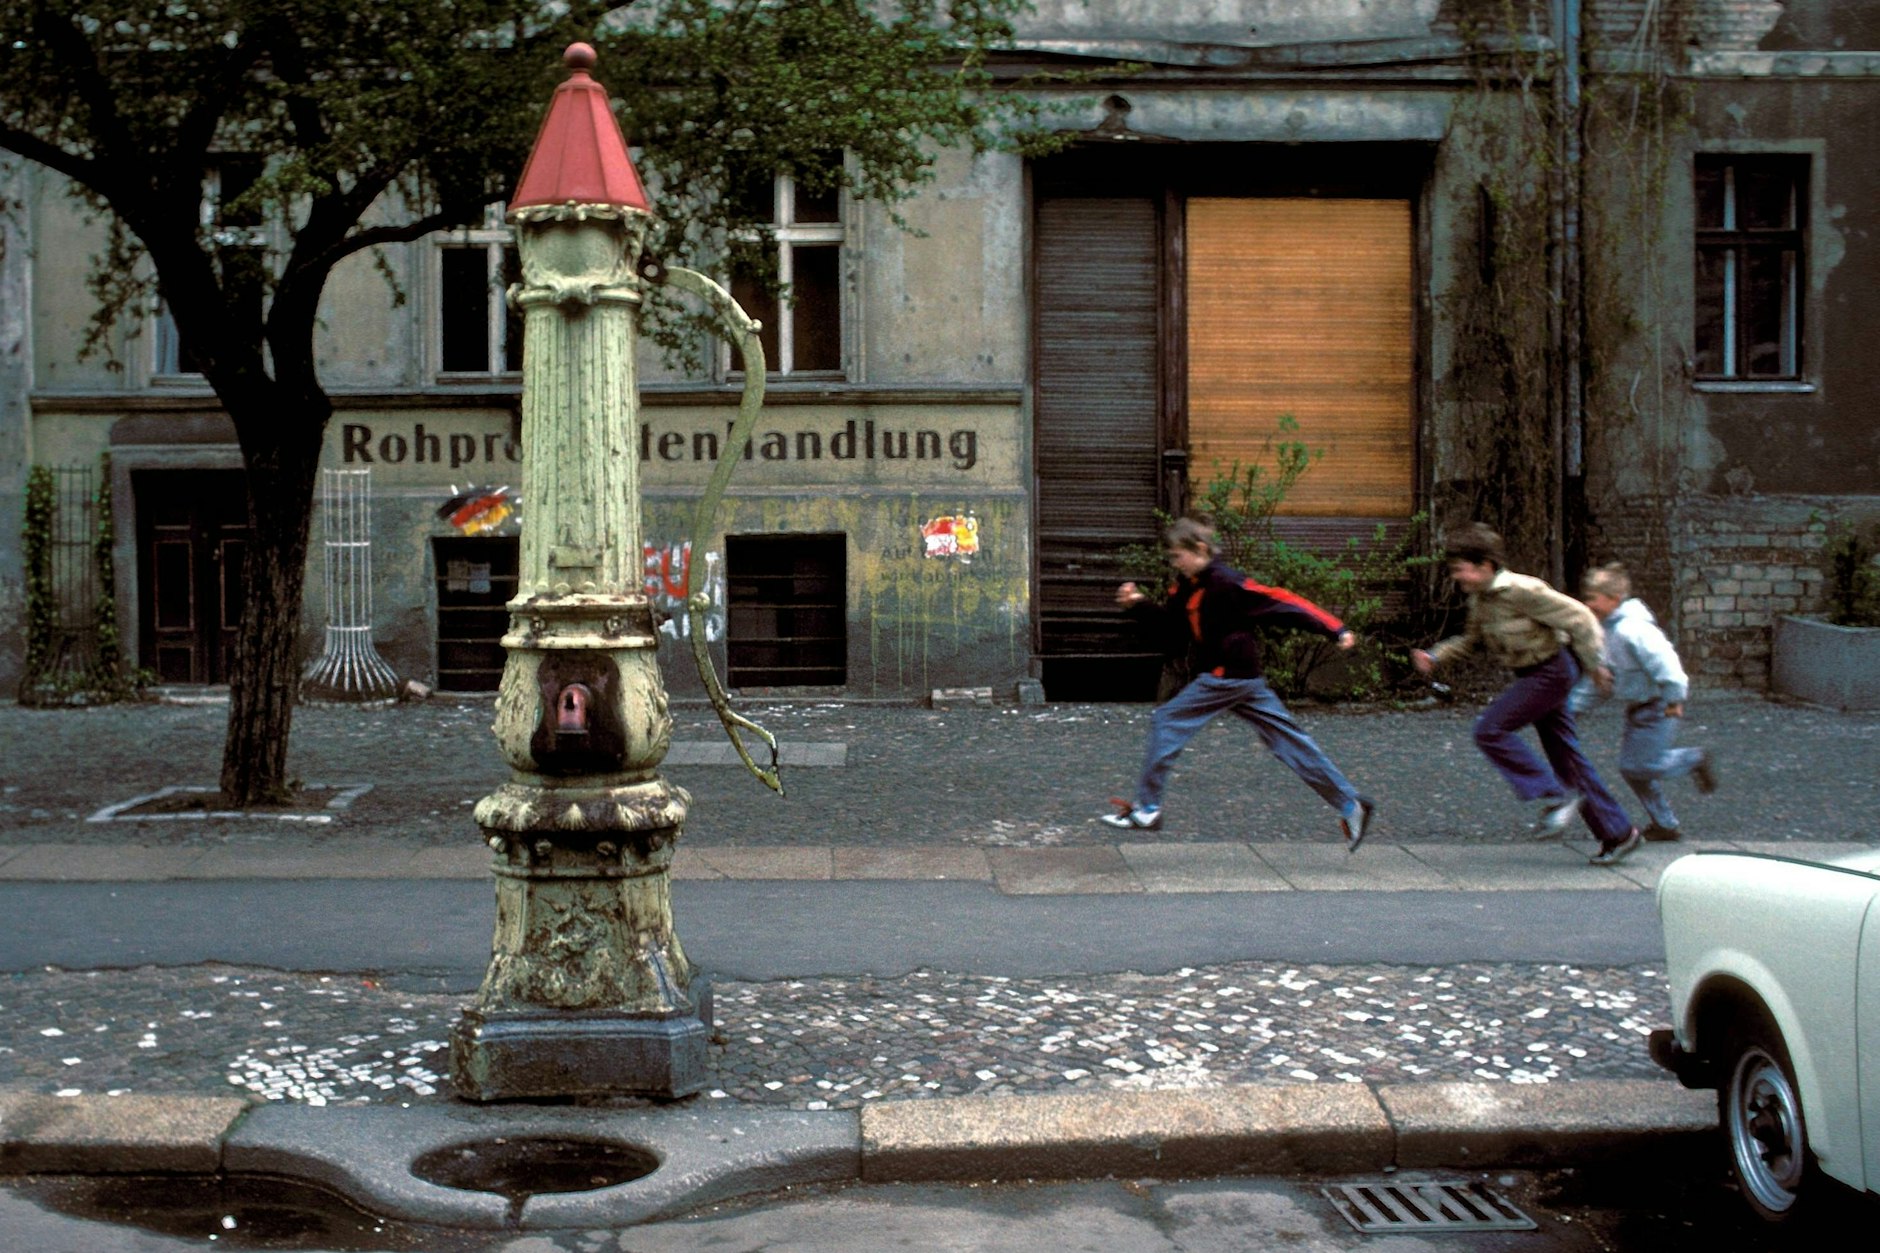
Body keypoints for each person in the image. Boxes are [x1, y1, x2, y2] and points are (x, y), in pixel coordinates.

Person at [1100, 517, 1377, 851]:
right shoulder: (1185, 586)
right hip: (1244, 680)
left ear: (1199, 549)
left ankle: (1147, 809)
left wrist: (1336, 629)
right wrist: (1139, 606)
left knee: (1167, 720)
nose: (1174, 562)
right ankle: (1351, 805)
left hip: (1226, 676)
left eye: (1177, 556)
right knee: (1289, 742)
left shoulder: (1228, 583)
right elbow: (1172, 631)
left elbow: (1284, 603)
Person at [1410, 522, 1642, 865]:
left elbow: (1579, 617)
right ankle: (1618, 833)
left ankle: (1554, 795)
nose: (1456, 577)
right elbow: (1471, 641)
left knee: (1490, 730)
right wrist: (1435, 656)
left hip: (1552, 671)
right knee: (1567, 757)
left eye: (1461, 569)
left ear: (1485, 566)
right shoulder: (1481, 600)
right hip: (1534, 673)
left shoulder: (1523, 590)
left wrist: (1595, 665)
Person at [1572, 562, 1717, 841]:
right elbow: (1602, 679)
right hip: (1639, 707)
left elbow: (1668, 665)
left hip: (1659, 705)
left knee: (1639, 766)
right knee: (1635, 770)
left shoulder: (1633, 630)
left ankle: (1694, 759)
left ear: (1613, 599)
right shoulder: (1606, 632)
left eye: (1593, 598)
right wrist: (1572, 708)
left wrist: (1674, 697)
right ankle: (1665, 823)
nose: (1588, 604)